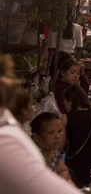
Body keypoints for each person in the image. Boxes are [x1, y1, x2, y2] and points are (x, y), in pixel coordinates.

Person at [0, 56, 81, 194]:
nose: (57, 136)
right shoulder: (6, 142)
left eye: (59, 132)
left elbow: (61, 173)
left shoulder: (8, 135)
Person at [31, 112, 73, 184]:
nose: (58, 136)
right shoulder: (32, 157)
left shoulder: (53, 150)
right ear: (36, 137)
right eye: (50, 132)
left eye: (60, 131)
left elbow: (63, 171)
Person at [48, 5, 84, 71]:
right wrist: (78, 63)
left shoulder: (54, 28)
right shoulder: (78, 28)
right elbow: (79, 48)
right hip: (70, 59)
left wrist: (49, 64)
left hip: (57, 59)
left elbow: (52, 49)